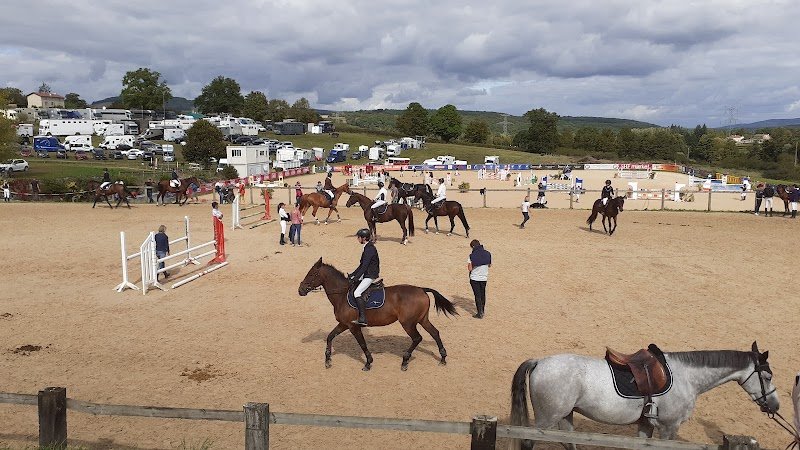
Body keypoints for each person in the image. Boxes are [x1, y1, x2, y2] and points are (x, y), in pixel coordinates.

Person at [348, 228, 380, 326]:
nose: (358, 239)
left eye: (359, 237)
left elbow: (365, 266)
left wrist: (356, 278)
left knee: (357, 292)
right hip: (367, 272)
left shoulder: (369, 249)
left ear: (364, 238)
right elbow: (361, 265)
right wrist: (352, 275)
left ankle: (362, 318)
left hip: (370, 275)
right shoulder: (367, 247)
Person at [467, 239, 491, 319]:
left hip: (474, 278)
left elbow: (470, 268)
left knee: (477, 295)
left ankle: (479, 313)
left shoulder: (471, 256)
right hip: (484, 277)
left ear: (473, 246)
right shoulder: (488, 254)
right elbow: (489, 265)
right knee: (482, 294)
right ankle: (482, 310)